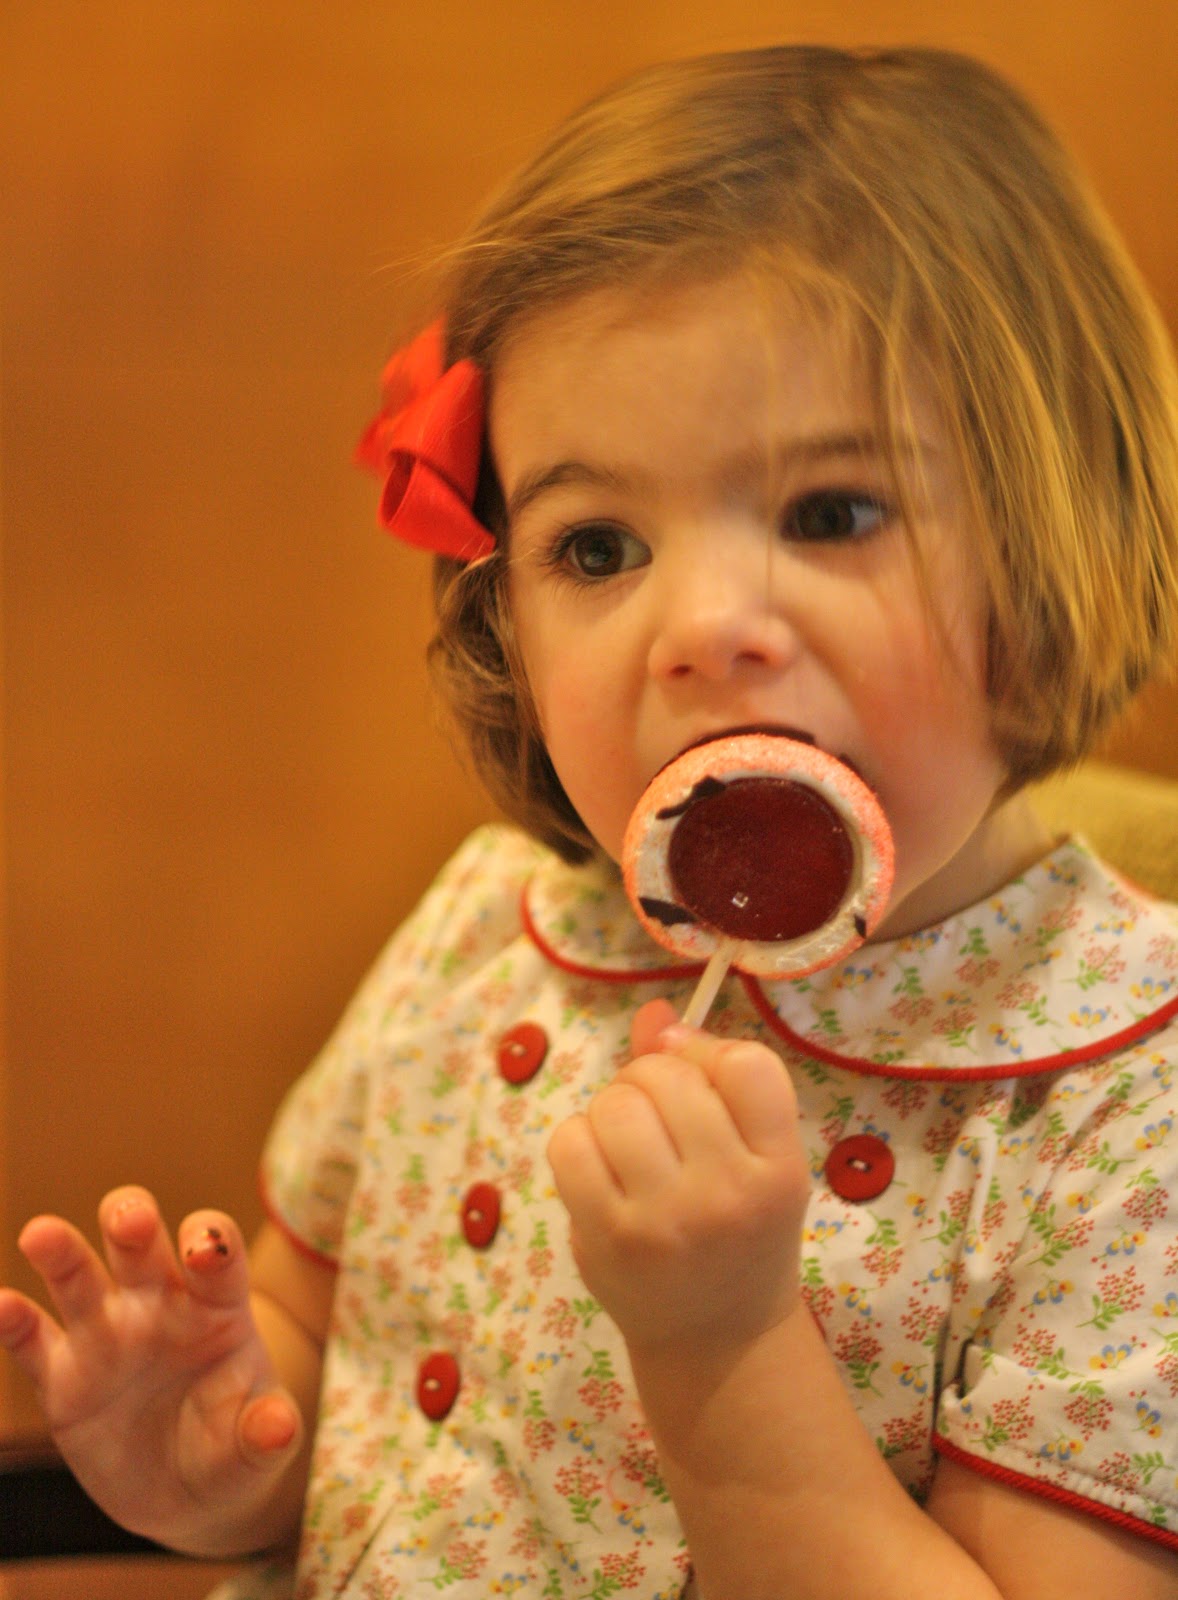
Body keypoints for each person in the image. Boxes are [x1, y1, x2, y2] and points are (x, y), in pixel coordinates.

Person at [2, 43, 1178, 1600]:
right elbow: (326, 1350)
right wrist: (221, 1454)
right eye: (598, 546)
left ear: (1057, 547)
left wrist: (723, 1351)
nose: (699, 628)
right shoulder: (485, 935)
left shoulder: (1128, 1100)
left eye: (829, 513)